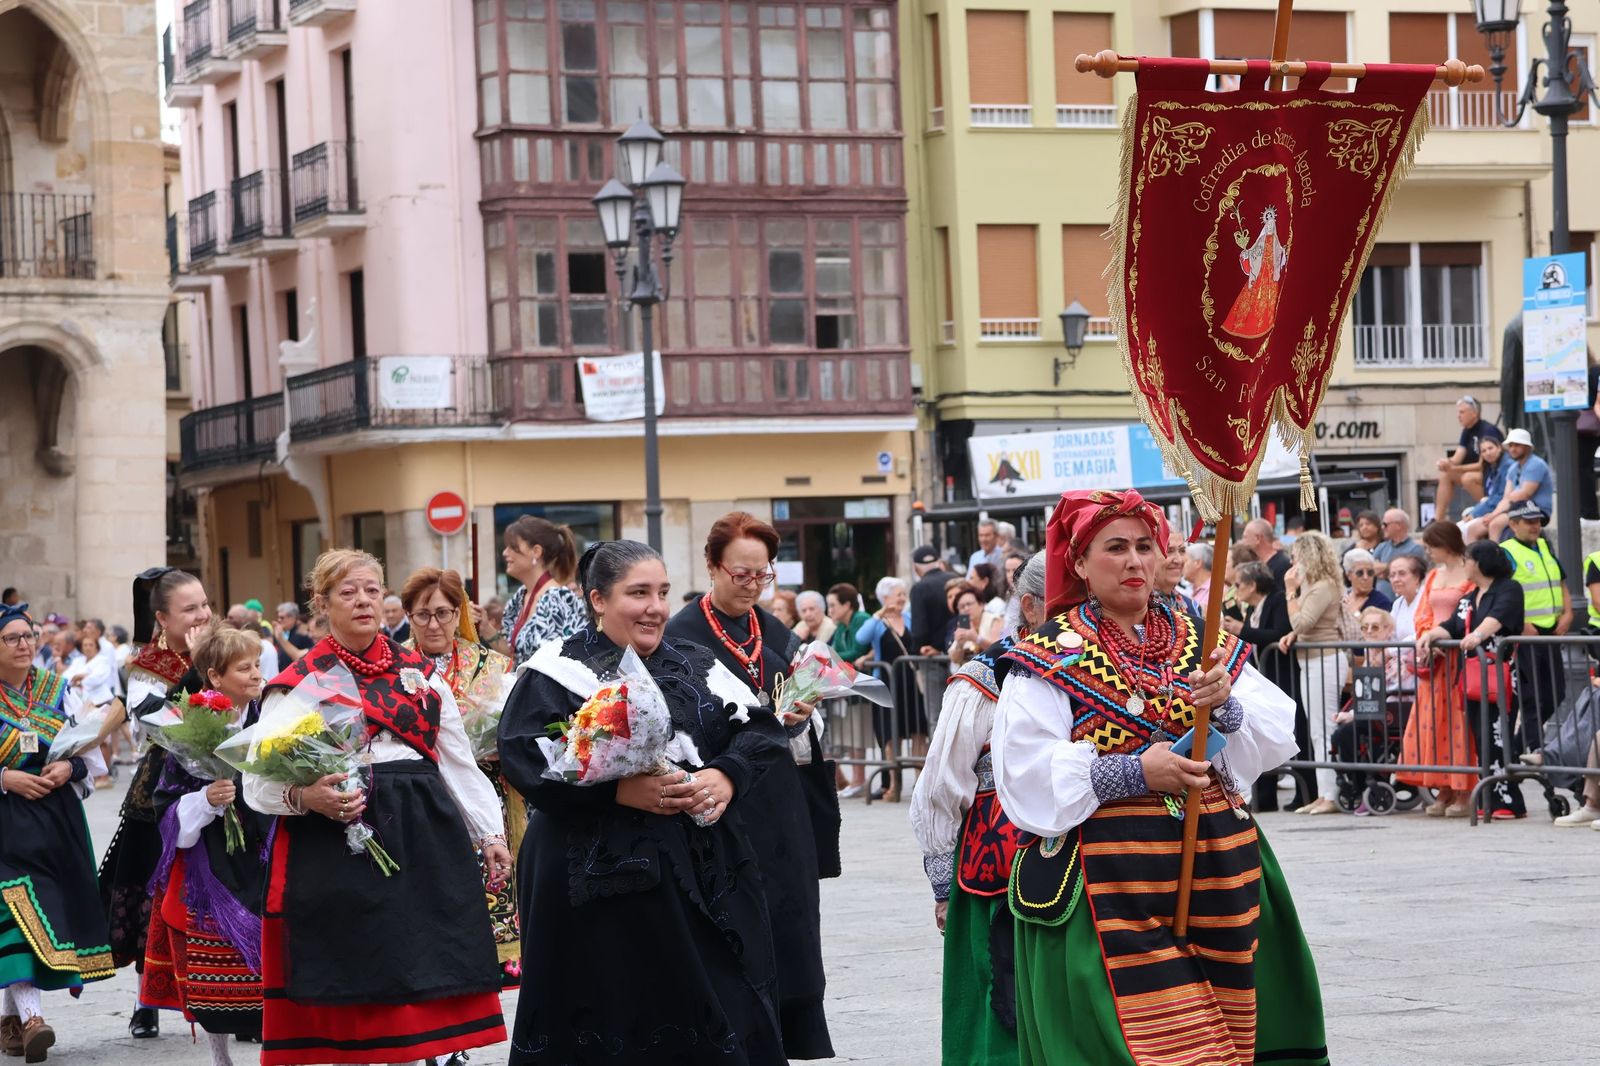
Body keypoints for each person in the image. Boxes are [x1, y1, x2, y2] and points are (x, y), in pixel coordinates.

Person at [992, 490, 1325, 1066]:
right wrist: (1133, 771)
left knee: (1235, 1025)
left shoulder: (1203, 637)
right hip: (1110, 883)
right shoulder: (1047, 655)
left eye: (1145, 546)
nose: (1134, 561)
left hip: (1222, 869)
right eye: (1115, 547)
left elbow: (1272, 734)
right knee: (1155, 1044)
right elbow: (1024, 772)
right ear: (1078, 562)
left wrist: (1224, 704)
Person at [498, 540, 789, 1065]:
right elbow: (525, 754)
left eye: (661, 592)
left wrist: (726, 775)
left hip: (701, 867)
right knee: (611, 1005)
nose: (655, 606)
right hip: (595, 871)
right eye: (637, 593)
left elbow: (762, 732)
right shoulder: (558, 669)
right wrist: (617, 790)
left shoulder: (696, 662)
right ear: (599, 599)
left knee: (712, 1000)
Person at [243, 549, 509, 1065]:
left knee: (417, 960)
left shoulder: (421, 675)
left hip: (421, 834)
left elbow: (456, 762)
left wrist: (490, 834)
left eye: (370, 589)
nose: (363, 600)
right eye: (347, 592)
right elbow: (257, 779)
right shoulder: (302, 681)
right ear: (321, 603)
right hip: (338, 837)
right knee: (356, 967)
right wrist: (306, 797)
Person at [666, 513, 833, 1059]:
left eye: (763, 575)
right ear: (713, 566)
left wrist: (803, 712)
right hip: (720, 799)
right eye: (742, 574)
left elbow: (798, 722)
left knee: (788, 921)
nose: (754, 586)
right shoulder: (679, 637)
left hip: (780, 804)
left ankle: (785, 1037)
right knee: (731, 927)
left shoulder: (775, 632)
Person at [910, 552, 1046, 1066]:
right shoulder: (988, 676)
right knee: (1002, 1001)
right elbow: (941, 786)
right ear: (1029, 607)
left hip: (1093, 862)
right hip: (1000, 870)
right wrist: (943, 887)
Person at [140, 622, 272, 1063]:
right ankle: (220, 1055)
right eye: (244, 668)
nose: (256, 675)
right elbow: (166, 807)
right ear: (214, 677)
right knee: (213, 964)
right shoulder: (191, 729)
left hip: (265, 851)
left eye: (257, 665)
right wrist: (206, 799)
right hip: (212, 861)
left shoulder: (271, 720)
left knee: (275, 961)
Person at [100, 567, 213, 1040]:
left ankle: (235, 997)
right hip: (161, 791)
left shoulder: (224, 647)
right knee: (150, 896)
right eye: (190, 610)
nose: (203, 615)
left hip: (219, 784)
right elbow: (152, 722)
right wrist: (198, 678)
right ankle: (145, 999)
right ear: (163, 619)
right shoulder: (149, 664)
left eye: (205, 605)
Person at [0, 603, 115, 1061]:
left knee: (43, 913)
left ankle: (10, 1020)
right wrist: (5, 778)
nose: (25, 644)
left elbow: (92, 755)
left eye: (28, 636)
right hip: (7, 821)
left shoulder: (57, 689)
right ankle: (32, 1020)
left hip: (56, 820)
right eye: (12, 638)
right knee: (16, 910)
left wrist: (69, 766)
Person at [400, 566, 522, 990]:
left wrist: (496, 744)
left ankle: (499, 956)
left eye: (443, 613)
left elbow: (515, 731)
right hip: (423, 797)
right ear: (408, 617)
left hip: (484, 789)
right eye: (422, 615)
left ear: (459, 614)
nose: (434, 624)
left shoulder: (493, 666)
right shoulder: (395, 667)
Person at [1416, 538, 1526, 819]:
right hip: (1475, 676)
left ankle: (1507, 800)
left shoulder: (1508, 589)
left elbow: (1499, 617)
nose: (1464, 564)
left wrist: (1477, 635)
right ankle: (1488, 796)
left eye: (1468, 559)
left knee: (1498, 733)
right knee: (1481, 734)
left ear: (1480, 562)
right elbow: (1451, 625)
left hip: (1501, 674)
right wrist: (1430, 635)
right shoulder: (1470, 597)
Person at [1397, 522, 1478, 817]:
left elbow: (1468, 611)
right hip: (1436, 658)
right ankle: (1443, 788)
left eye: (1432, 545)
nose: (1428, 551)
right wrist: (1428, 637)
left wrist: (1447, 638)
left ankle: (1464, 791)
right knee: (1434, 724)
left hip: (1459, 656)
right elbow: (1423, 614)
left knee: (1459, 723)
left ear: (1446, 543)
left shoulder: (1469, 572)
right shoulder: (1434, 575)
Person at [1227, 561, 1313, 812]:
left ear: (1253, 585)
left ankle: (1306, 793)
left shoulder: (1275, 601)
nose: (1235, 589)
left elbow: (1277, 633)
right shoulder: (1252, 607)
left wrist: (1243, 629)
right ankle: (1264, 798)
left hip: (1284, 676)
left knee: (1297, 733)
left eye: (1239, 584)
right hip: (1267, 676)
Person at [1277, 530, 1348, 814]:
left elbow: (1303, 621)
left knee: (1323, 728)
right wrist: (1293, 634)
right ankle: (1323, 792)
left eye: (1297, 555)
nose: (1293, 561)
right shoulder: (1314, 585)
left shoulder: (1323, 586)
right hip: (1312, 658)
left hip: (1325, 659)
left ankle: (1330, 793)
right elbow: (1301, 626)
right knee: (1317, 728)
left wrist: (1289, 592)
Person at [1502, 504, 1570, 764]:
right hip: (1526, 634)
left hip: (1550, 631)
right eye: (1528, 521)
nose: (1535, 525)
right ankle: (1535, 748)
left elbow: (1560, 581)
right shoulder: (1506, 552)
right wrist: (1520, 623)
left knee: (1556, 693)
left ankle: (1518, 746)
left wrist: (1567, 614)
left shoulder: (1544, 546)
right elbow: (1502, 592)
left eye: (1538, 521)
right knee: (1531, 696)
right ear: (1513, 524)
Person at [854, 577, 920, 799]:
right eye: (897, 594)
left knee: (918, 732)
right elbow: (860, 638)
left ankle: (920, 783)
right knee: (891, 735)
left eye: (903, 594)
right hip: (887, 682)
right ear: (884, 598)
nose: (901, 598)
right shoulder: (878, 622)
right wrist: (879, 613)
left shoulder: (909, 618)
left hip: (910, 681)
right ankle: (893, 785)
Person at [500, 515, 584, 668]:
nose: (505, 553)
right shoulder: (519, 597)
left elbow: (572, 660)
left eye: (513, 547)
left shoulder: (560, 599)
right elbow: (512, 653)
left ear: (536, 551)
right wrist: (486, 628)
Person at [1433, 396, 1503, 519]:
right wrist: (1446, 463)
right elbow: (1457, 458)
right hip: (1477, 472)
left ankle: (1488, 506)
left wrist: (1454, 468)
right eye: (1458, 412)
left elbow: (1482, 465)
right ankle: (1438, 519)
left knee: (1467, 478)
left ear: (1474, 413)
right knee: (1446, 475)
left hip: (1491, 473)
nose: (1458, 416)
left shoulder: (1487, 430)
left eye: (1462, 412)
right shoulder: (1467, 431)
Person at [1481, 429, 1555, 542]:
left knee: (1495, 525)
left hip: (1536, 511)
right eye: (1510, 445)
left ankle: (1495, 557)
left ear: (1527, 447)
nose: (1513, 449)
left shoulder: (1536, 464)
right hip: (1518, 509)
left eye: (1517, 445)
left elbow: (1523, 495)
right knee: (1474, 528)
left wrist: (1494, 515)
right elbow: (1507, 498)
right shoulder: (1513, 468)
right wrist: (1493, 514)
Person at [1461, 436, 1510, 541]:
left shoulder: (1507, 466)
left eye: (1490, 448)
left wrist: (1476, 513)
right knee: (1464, 518)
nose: (1488, 453)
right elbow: (1491, 497)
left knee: (1468, 529)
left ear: (1499, 448)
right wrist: (1474, 511)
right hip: (1494, 506)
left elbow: (1499, 497)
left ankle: (1473, 557)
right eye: (1484, 451)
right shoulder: (1491, 467)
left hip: (1506, 509)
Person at [1372, 508, 1428, 599]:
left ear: (1398, 525)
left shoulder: (1415, 549)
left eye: (1385, 524)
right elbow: (1371, 569)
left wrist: (1384, 569)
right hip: (1382, 605)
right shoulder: (1381, 547)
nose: (1382, 528)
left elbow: (1414, 574)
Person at [909, 545, 954, 656]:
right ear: (938, 562)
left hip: (932, 654)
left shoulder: (919, 588)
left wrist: (916, 650)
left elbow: (919, 627)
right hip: (958, 648)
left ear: (915, 567)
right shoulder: (955, 579)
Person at [1242, 517, 1292, 589]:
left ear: (1258, 538)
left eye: (1245, 537)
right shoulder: (1260, 564)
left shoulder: (1282, 565)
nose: (1243, 541)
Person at [1388, 554, 1427, 642]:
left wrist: (1391, 651)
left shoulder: (1428, 598)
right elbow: (1390, 634)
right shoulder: (1398, 603)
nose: (1396, 579)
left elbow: (1422, 634)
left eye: (1402, 574)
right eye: (1392, 575)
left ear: (1417, 577)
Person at [1342, 548, 1392, 614]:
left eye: (1370, 573)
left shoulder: (1382, 603)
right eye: (1360, 573)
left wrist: (1355, 613)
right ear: (1348, 576)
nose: (1365, 577)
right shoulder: (1343, 598)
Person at [1184, 541, 1215, 606]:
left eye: (1185, 560)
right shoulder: (1188, 590)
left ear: (1197, 563)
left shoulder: (1217, 591)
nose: (1181, 564)